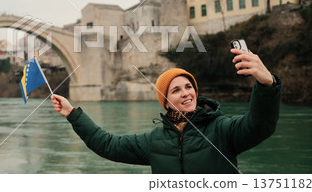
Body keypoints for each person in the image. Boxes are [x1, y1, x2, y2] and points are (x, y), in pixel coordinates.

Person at [51, 48, 282, 173]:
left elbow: (260, 124)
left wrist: (267, 83)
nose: (186, 93)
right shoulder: (154, 141)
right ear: (166, 101)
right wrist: (73, 114)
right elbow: (107, 145)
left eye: (189, 87)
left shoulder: (222, 130)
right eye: (176, 90)